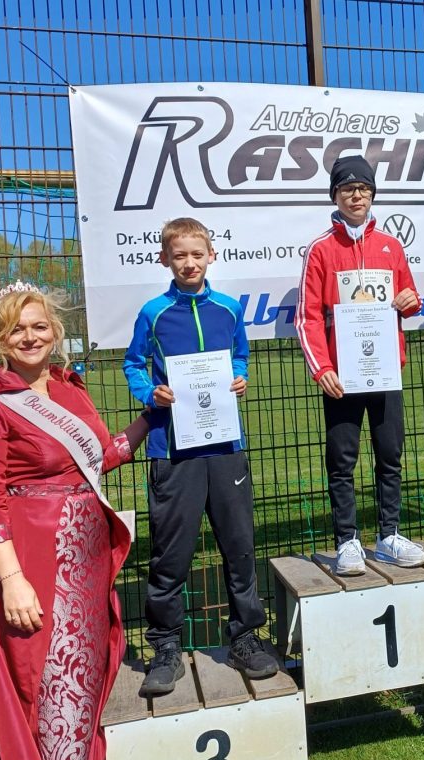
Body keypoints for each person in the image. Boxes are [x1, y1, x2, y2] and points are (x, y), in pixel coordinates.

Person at [0, 281, 148, 760]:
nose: (30, 337)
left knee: (86, 668)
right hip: (34, 557)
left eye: (39, 326)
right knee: (44, 675)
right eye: (15, 329)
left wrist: (152, 419)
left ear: (55, 331)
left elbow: (97, 459)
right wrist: (12, 580)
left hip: (85, 555)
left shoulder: (68, 388)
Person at [124, 217, 277, 696]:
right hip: (172, 450)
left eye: (197, 254)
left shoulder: (229, 309)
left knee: (240, 546)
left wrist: (239, 377)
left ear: (212, 255)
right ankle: (166, 648)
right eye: (179, 255)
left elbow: (240, 355)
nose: (189, 263)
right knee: (170, 554)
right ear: (164, 259)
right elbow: (133, 364)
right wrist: (150, 394)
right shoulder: (153, 313)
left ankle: (245, 638)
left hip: (226, 446)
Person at [295, 154, 424, 577]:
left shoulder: (391, 245)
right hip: (342, 375)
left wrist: (410, 301)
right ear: (335, 195)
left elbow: (409, 297)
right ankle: (347, 541)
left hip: (384, 370)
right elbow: (307, 317)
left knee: (390, 455)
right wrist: (323, 368)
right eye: (348, 188)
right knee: (342, 460)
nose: (357, 195)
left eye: (364, 188)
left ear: (372, 194)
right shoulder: (320, 249)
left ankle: (389, 535)